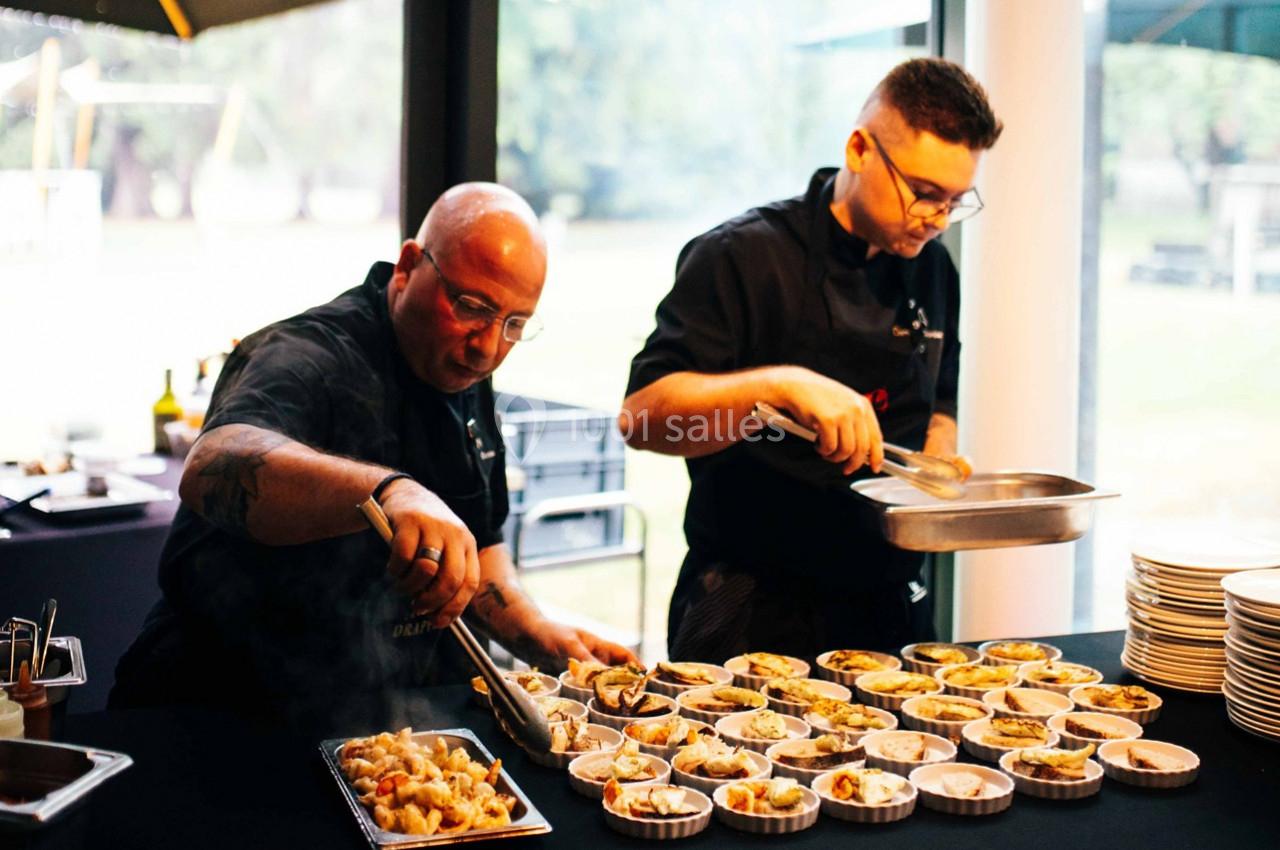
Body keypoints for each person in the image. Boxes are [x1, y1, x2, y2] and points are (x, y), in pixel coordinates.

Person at [112, 183, 635, 728]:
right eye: (471, 307)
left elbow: (479, 547)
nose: (487, 346)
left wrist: (538, 634)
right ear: (409, 265)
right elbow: (210, 466)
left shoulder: (462, 369)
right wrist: (390, 492)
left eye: (515, 324)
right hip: (225, 706)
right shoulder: (305, 354)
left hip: (386, 714)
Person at [620, 58, 1003, 661]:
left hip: (891, 606)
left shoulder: (934, 271)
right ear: (859, 149)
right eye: (925, 193)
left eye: (955, 201)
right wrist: (782, 386)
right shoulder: (741, 257)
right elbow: (643, 421)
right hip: (749, 607)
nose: (937, 219)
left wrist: (934, 463)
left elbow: (940, 402)